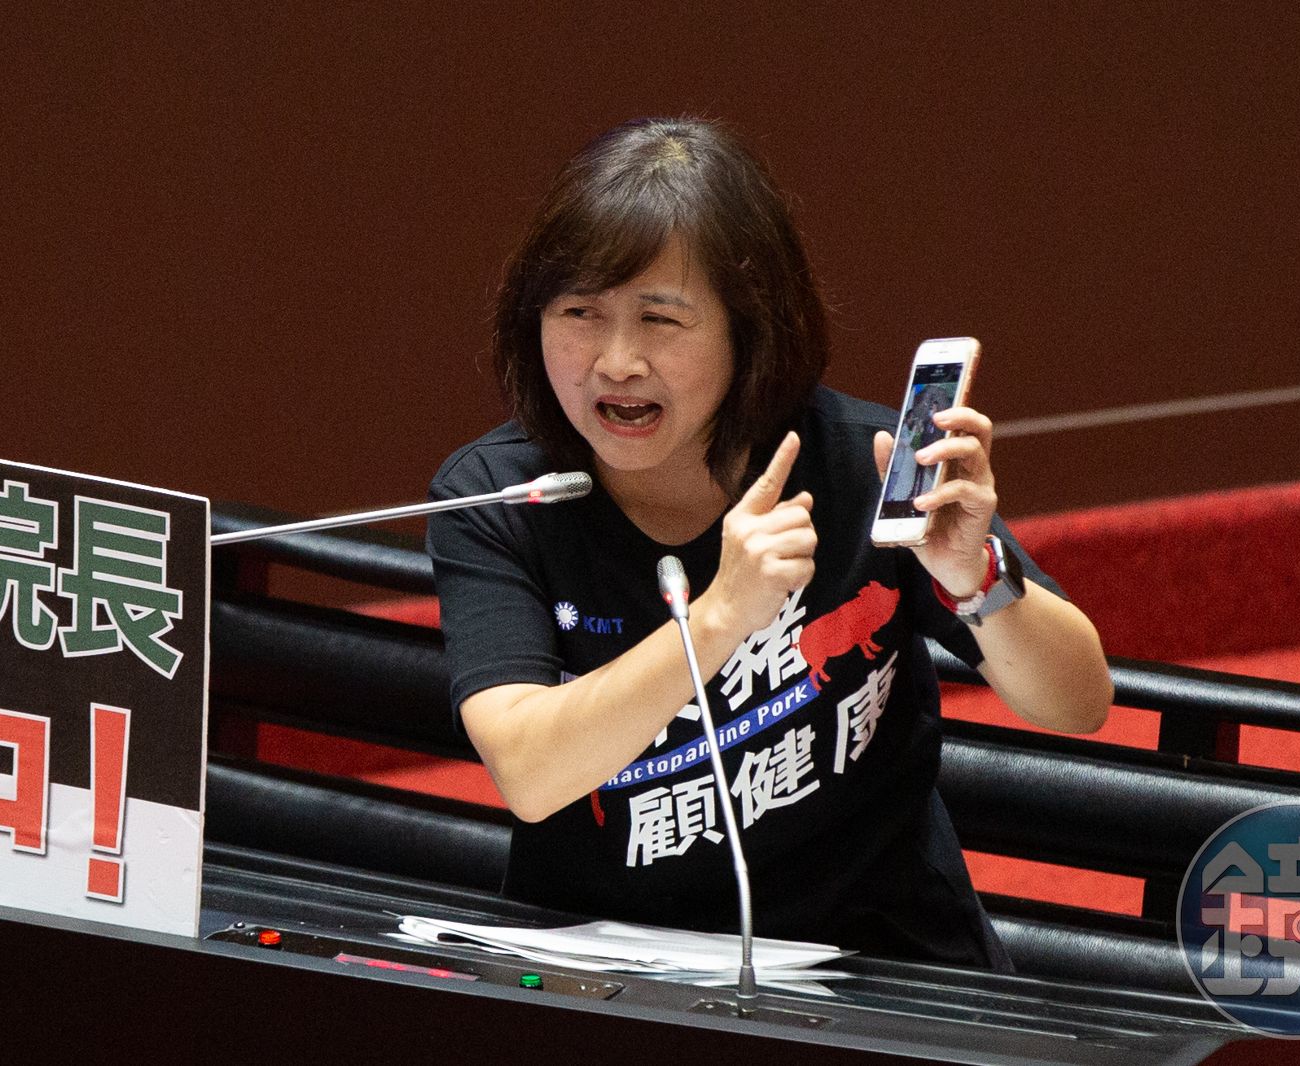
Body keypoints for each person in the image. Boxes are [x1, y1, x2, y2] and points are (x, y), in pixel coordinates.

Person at [427, 117, 1112, 969]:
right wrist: (720, 616)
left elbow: (1080, 702)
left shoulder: (861, 465)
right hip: (606, 971)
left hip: (877, 964)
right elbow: (530, 774)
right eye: (579, 313)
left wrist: (976, 578)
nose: (616, 360)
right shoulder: (502, 497)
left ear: (748, 329)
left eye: (661, 318)